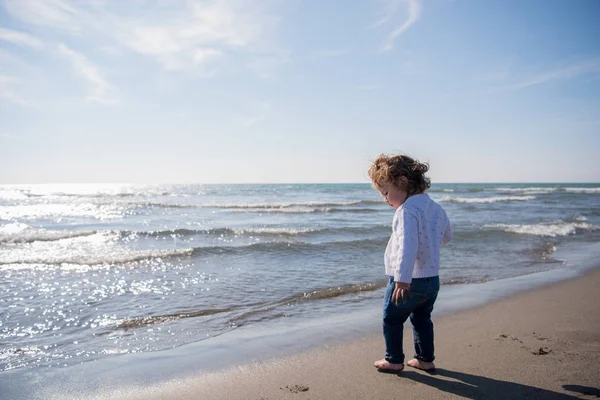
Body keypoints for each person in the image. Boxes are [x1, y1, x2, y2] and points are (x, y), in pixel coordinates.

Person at [368, 153, 453, 373]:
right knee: (422, 319)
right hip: (431, 280)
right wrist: (431, 244)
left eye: (386, 192)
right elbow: (447, 237)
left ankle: (394, 359)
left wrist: (402, 280)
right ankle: (425, 359)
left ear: (403, 182)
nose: (385, 199)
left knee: (392, 319)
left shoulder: (406, 211)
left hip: (409, 280)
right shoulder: (435, 208)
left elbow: (407, 247)